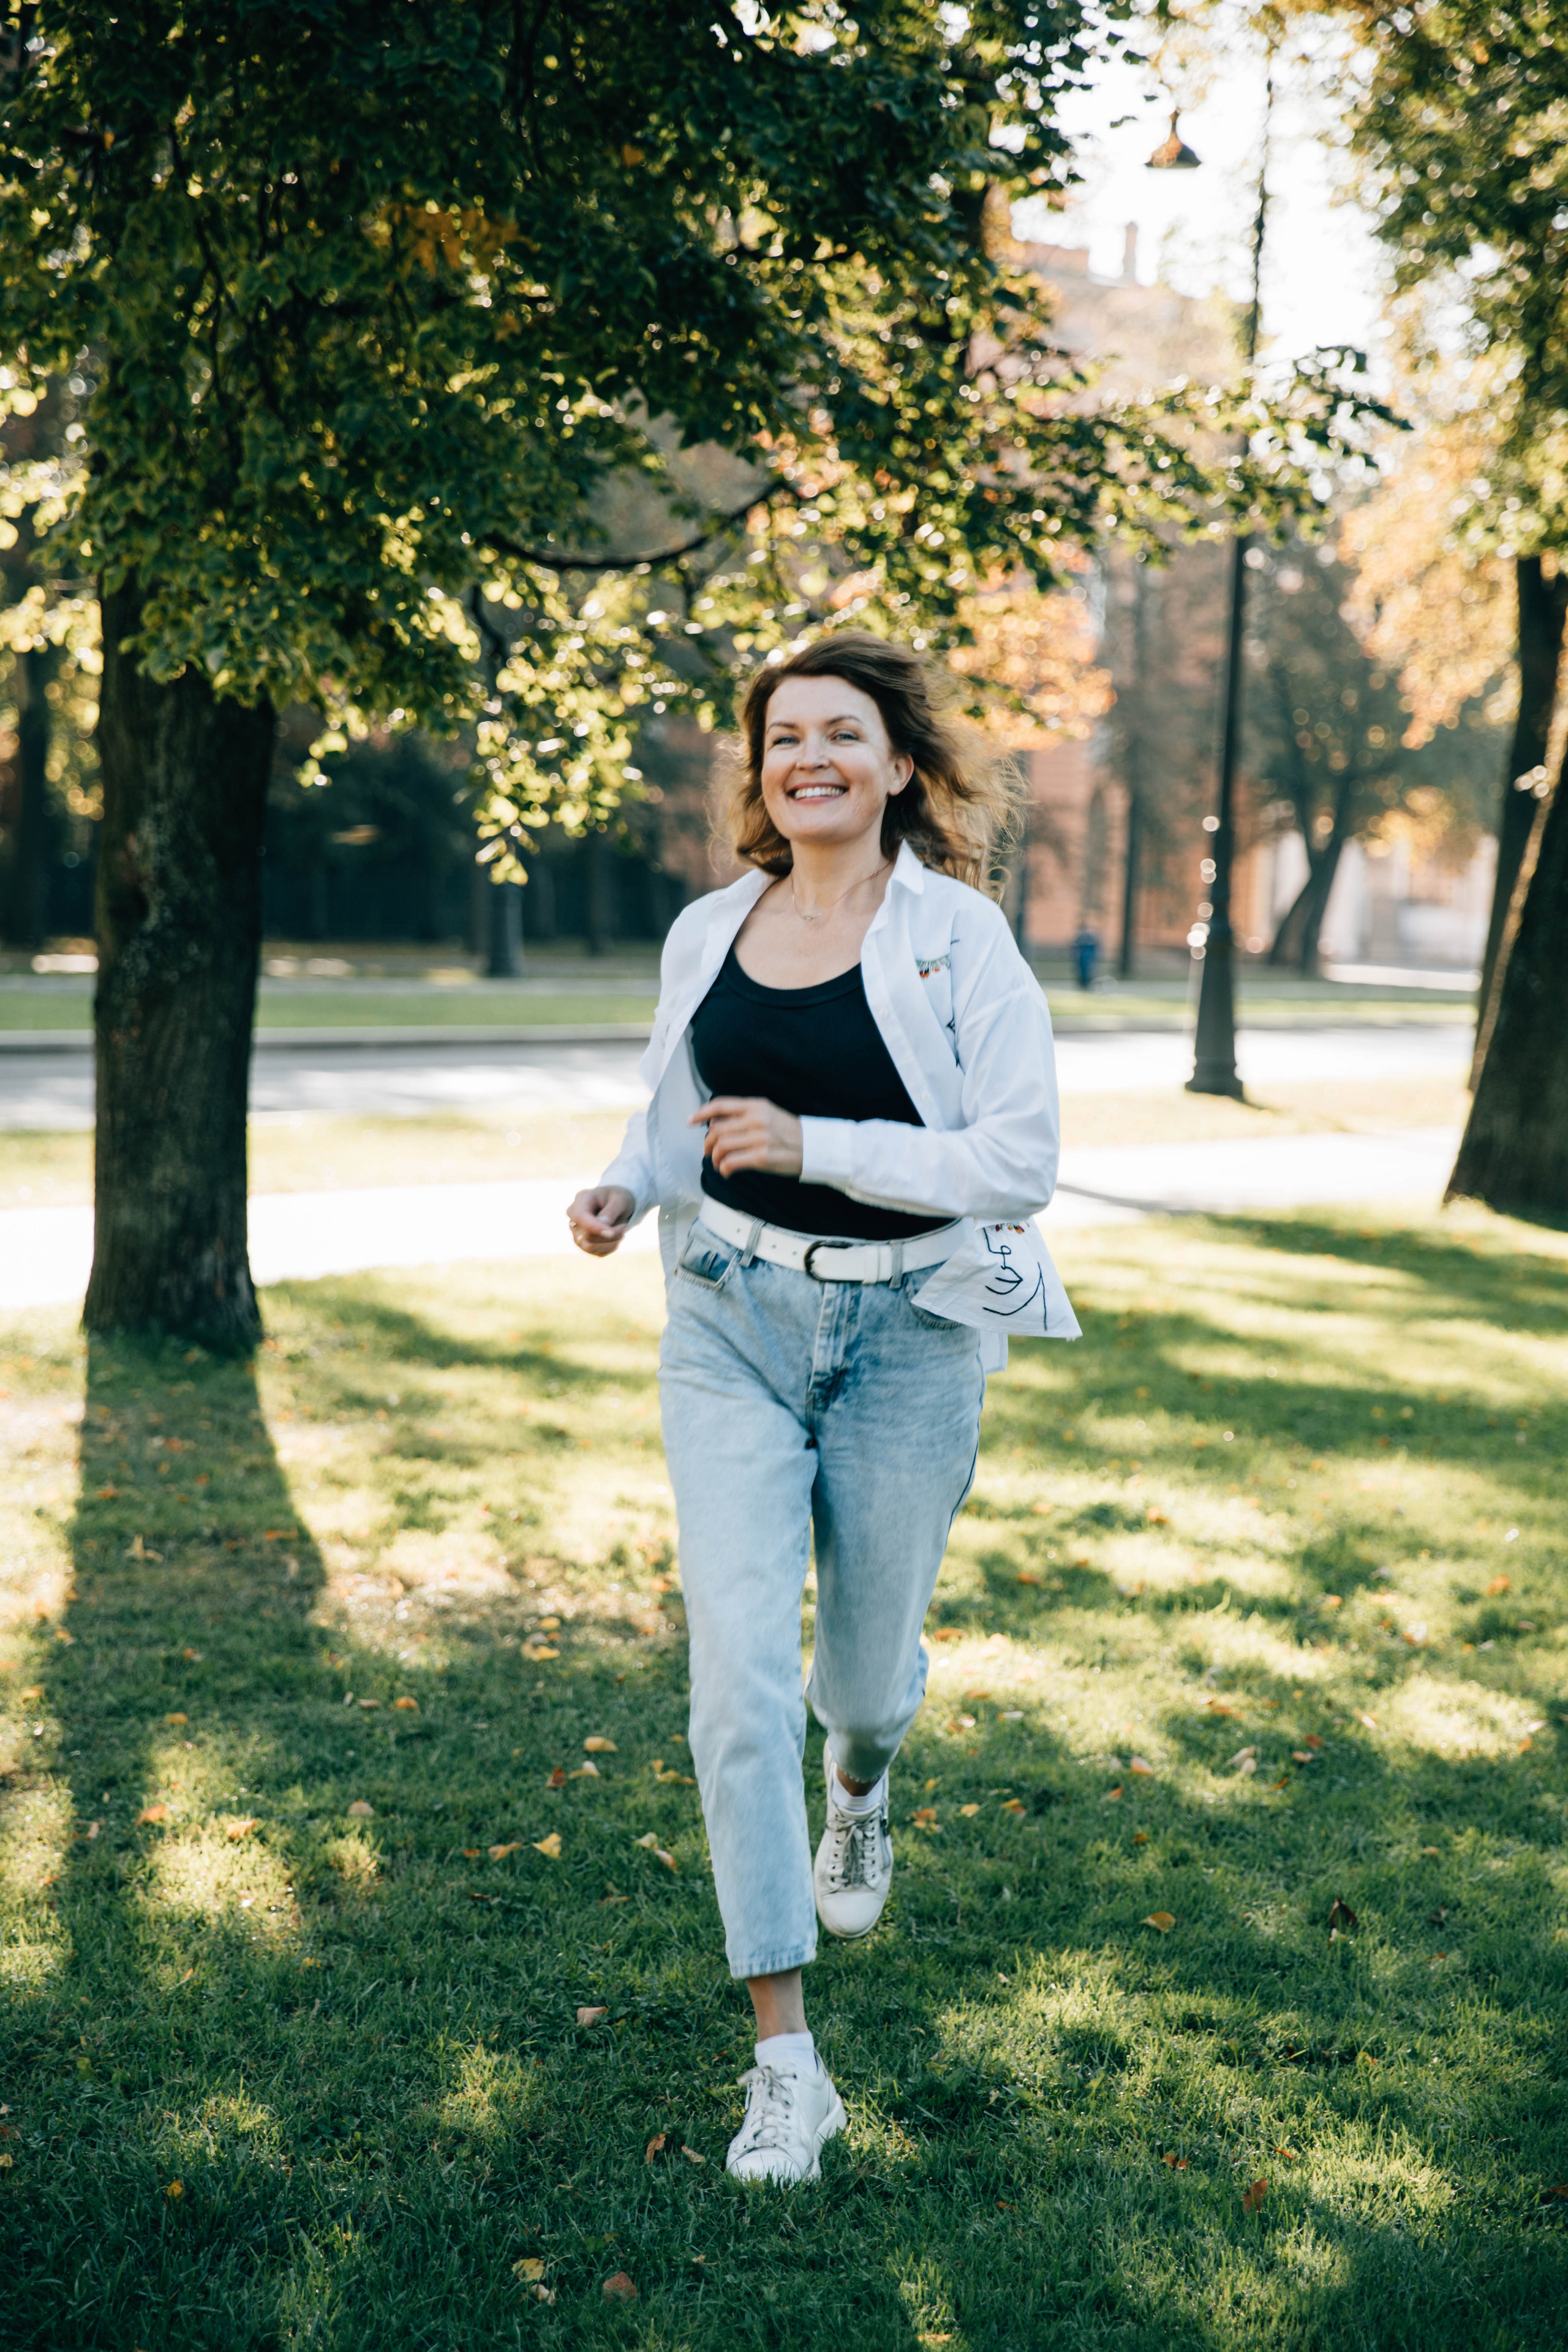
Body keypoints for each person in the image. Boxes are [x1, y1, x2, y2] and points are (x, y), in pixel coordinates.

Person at [565, 633, 1077, 2185]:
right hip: (728, 1317)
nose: (810, 758)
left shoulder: (956, 939)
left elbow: (1017, 1163)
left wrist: (817, 1144)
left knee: (858, 1686)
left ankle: (860, 1784)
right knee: (735, 1680)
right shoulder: (708, 928)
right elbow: (678, 1108)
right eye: (784, 736)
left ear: (897, 766)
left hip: (910, 1337)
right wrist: (625, 1181)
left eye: (842, 733)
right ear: (760, 770)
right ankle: (786, 2062)